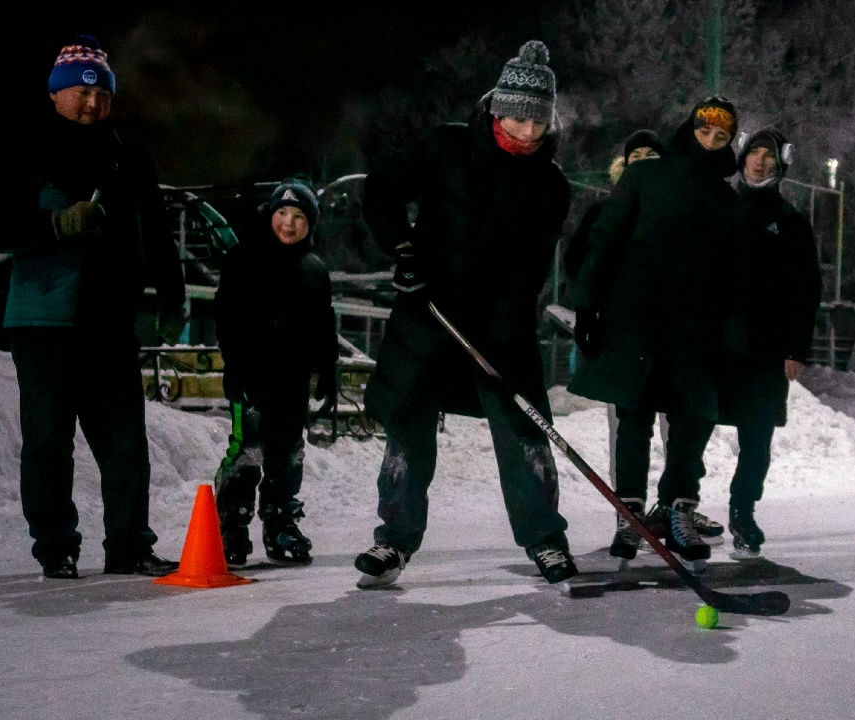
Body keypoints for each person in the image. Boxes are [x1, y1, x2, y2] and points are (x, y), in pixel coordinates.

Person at [354, 41, 576, 592]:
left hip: (501, 326)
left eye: (539, 122)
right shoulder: (446, 147)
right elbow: (380, 189)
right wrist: (402, 250)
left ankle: (545, 537)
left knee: (523, 428)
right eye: (519, 118)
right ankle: (394, 539)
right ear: (497, 109)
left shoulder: (550, 186)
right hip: (427, 310)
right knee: (408, 425)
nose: (528, 132)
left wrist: (499, 332)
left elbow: (527, 273)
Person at [0, 35, 185, 579]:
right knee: (48, 442)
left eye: (101, 94)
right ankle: (56, 547)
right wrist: (57, 224)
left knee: (126, 445)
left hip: (109, 323)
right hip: (43, 321)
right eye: (80, 93)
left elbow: (156, 232)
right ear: (55, 94)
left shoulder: (128, 155)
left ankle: (129, 545)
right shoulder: (26, 148)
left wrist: (173, 293)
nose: (91, 103)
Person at [568, 97, 742, 568]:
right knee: (634, 418)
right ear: (688, 130)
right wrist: (586, 305)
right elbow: (606, 238)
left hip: (697, 331)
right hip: (636, 323)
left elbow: (735, 276)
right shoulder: (644, 177)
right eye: (704, 131)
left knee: (692, 421)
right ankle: (630, 516)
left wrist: (733, 337)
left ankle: (678, 511)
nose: (710, 141)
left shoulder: (728, 201)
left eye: (720, 137)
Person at [214, 179, 338, 567]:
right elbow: (227, 318)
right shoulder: (242, 259)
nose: (288, 223)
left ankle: (280, 521)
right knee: (246, 451)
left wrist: (328, 370)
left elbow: (324, 324)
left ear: (310, 224)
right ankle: (231, 525)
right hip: (250, 380)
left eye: (299, 216)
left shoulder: (314, 270)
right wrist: (234, 367)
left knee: (287, 453)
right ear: (270, 215)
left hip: (292, 382)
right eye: (282, 213)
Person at [716, 127, 821, 559]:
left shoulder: (790, 220)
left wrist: (796, 349)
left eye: (769, 156)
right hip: (715, 345)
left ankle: (743, 510)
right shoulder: (719, 207)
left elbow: (805, 290)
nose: (760, 162)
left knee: (756, 437)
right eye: (754, 152)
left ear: (781, 165)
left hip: (765, 349)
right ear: (741, 157)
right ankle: (680, 508)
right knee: (691, 429)